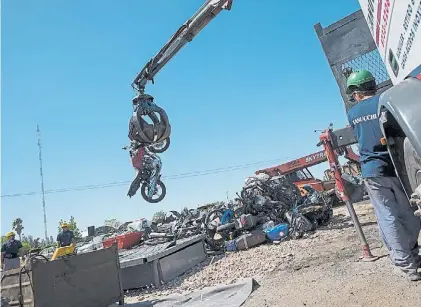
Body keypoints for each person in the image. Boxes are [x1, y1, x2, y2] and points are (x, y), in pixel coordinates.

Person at [346, 69, 421, 281]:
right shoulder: (386, 100)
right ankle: (413, 257)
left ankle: (406, 265)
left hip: (372, 171)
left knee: (388, 217)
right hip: (396, 167)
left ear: (356, 92)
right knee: (408, 212)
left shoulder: (352, 113)